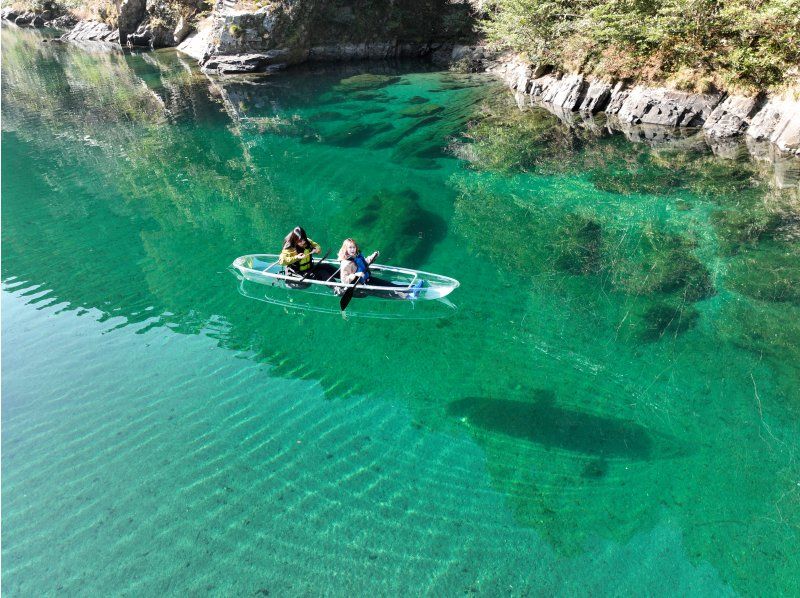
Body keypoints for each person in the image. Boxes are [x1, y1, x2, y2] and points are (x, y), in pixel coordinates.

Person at [337, 238, 421, 298]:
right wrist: (355, 275)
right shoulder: (345, 263)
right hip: (360, 286)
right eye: (350, 247)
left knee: (390, 285)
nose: (352, 249)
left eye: (354, 247)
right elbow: (344, 280)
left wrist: (373, 256)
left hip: (367, 279)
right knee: (385, 291)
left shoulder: (356, 256)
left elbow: (364, 263)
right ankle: (409, 296)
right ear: (346, 249)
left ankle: (412, 288)